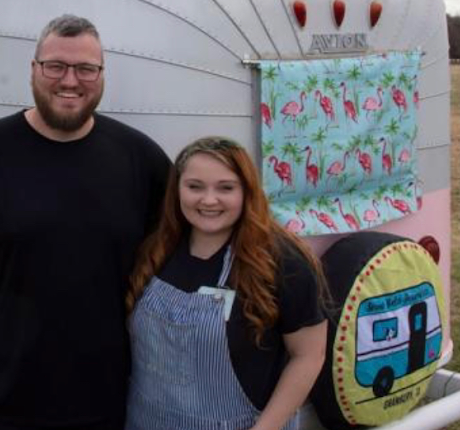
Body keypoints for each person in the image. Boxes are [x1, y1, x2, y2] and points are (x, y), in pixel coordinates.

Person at [0, 14, 171, 430]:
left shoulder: (139, 158)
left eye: (85, 69)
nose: (70, 81)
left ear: (102, 74)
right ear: (34, 70)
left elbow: (193, 237)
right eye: (55, 66)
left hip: (105, 406)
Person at [125, 137, 327, 430]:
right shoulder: (157, 249)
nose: (208, 200)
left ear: (247, 191)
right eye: (194, 186)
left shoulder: (283, 262)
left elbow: (308, 356)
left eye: (225, 188)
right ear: (177, 189)